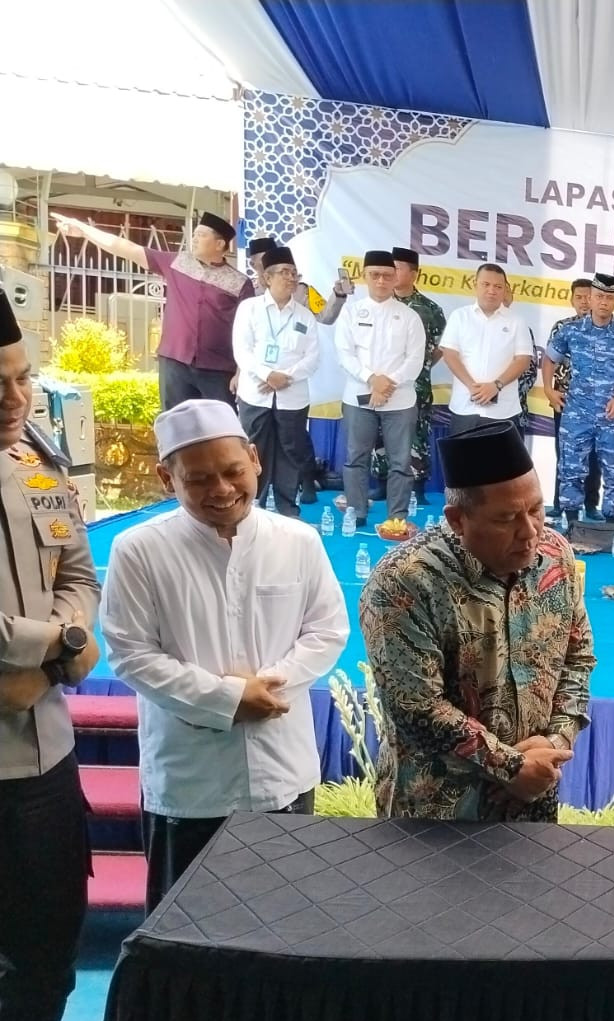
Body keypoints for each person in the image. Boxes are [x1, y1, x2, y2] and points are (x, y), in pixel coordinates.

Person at [99, 400, 348, 912]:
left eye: (233, 471)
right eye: (198, 479)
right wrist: (228, 698)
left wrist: (269, 686)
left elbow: (327, 630)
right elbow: (130, 653)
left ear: (254, 459)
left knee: (286, 925)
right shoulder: (139, 550)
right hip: (190, 783)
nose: (221, 489)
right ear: (167, 478)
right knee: (185, 932)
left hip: (283, 772)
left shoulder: (297, 541)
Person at [361, 419, 596, 821]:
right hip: (436, 813)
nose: (530, 532)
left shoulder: (555, 555)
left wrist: (553, 745)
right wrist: (510, 767)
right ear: (457, 520)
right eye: (506, 519)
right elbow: (418, 707)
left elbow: (578, 658)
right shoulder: (406, 581)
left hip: (532, 799)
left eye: (536, 510)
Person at [0, 292, 100, 1021]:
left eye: (22, 377)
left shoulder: (37, 457)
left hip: (44, 750)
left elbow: (79, 571)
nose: (15, 397)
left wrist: (61, 649)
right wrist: (54, 645)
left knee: (50, 913)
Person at [54, 210, 252, 410]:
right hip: (175, 362)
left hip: (218, 369)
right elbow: (125, 247)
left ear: (219, 244)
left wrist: (240, 371)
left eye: (201, 235)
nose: (194, 239)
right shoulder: (177, 263)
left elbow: (249, 331)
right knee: (174, 420)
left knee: (220, 423)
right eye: (194, 234)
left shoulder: (239, 282)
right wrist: (84, 230)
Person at [541, 272, 614, 527]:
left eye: (609, 298)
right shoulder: (571, 331)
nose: (603, 302)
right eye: (599, 297)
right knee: (571, 469)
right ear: (591, 298)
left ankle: (610, 527)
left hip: (611, 416)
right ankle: (572, 524)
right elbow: (549, 359)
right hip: (577, 413)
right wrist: (549, 390)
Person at [334, 250, 426, 527]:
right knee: (356, 458)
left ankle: (397, 517)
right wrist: (371, 378)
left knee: (400, 462)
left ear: (396, 277)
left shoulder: (410, 316)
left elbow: (415, 360)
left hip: (400, 400)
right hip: (358, 397)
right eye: (375, 275)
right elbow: (344, 354)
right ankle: (357, 512)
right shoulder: (351, 311)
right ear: (365, 276)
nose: (381, 281)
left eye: (387, 275)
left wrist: (386, 384)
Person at [231, 245, 320, 519]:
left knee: (290, 452)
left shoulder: (304, 315)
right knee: (254, 451)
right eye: (285, 272)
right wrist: (267, 375)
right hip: (255, 393)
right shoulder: (249, 309)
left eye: (294, 273)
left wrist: (285, 377)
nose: (291, 278)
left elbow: (313, 357)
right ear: (267, 277)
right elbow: (242, 350)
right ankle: (250, 507)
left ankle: (287, 509)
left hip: (292, 397)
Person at [439, 264, 534, 436]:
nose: (492, 291)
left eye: (498, 286)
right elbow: (450, 354)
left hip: (503, 410)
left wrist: (496, 386)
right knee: (462, 454)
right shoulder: (459, 316)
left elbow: (523, 360)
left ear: (505, 289)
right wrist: (472, 387)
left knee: (499, 455)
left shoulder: (517, 321)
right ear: (475, 284)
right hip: (465, 407)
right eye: (486, 284)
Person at [539, 278, 602, 517]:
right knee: (565, 453)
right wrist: (548, 389)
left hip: (596, 404)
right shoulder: (563, 327)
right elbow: (549, 361)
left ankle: (591, 504)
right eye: (579, 297)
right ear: (571, 300)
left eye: (588, 297)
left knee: (594, 455)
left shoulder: (606, 328)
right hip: (566, 401)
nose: (584, 302)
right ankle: (560, 503)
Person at [387, 247, 447, 496]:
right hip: (384, 383)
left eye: (397, 268)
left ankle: (417, 486)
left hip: (416, 384)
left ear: (414, 274)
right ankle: (382, 483)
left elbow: (441, 346)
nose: (392, 273)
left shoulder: (430, 309)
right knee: (382, 433)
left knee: (416, 432)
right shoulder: (382, 304)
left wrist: (421, 367)